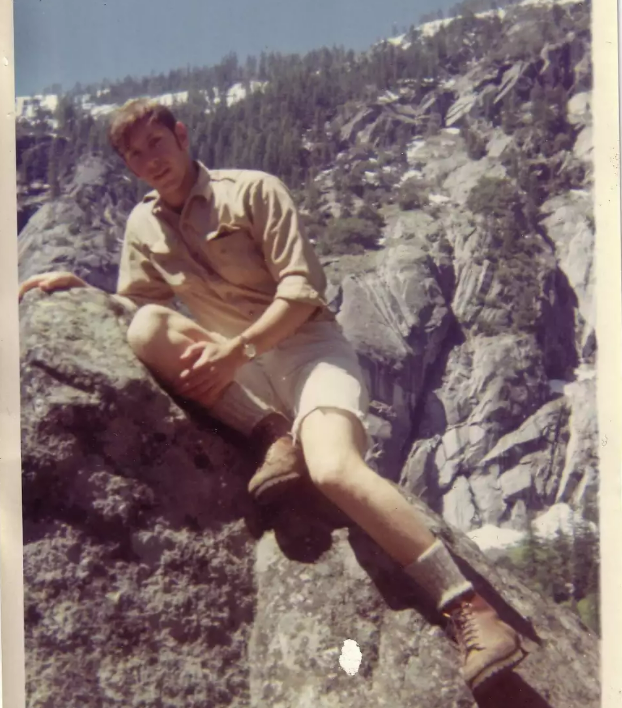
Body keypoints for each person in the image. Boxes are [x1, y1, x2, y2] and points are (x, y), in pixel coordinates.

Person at [19, 98, 525, 691]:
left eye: (155, 143)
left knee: (335, 470)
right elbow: (144, 303)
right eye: (134, 154)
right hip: (245, 372)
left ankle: (470, 607)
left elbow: (304, 291)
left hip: (309, 350)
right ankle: (270, 435)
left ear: (181, 136)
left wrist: (238, 351)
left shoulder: (253, 191)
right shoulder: (143, 226)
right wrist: (85, 290)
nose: (148, 160)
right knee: (147, 328)